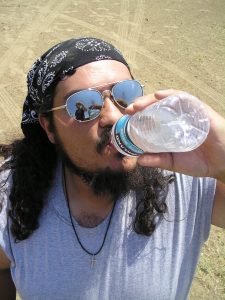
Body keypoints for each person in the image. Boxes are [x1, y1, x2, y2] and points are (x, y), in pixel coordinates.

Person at [0, 37, 224, 300]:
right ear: (49, 127)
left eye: (125, 95)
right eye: (83, 106)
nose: (114, 117)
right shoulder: (13, 194)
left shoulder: (186, 180)